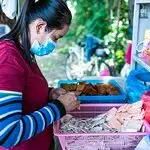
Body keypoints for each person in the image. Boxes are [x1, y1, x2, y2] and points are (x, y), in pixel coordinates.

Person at [0, 0, 80, 150]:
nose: (54, 44)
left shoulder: (25, 52)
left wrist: (49, 93)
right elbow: (7, 133)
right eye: (56, 37)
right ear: (40, 26)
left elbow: (23, 92)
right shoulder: (8, 60)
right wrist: (59, 107)